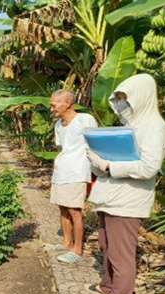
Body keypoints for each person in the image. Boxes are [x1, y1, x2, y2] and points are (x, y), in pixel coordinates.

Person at [81, 73, 165, 294]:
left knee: (121, 253)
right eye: (117, 99)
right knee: (106, 245)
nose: (120, 104)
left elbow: (149, 167)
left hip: (128, 200)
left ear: (140, 98)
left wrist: (109, 166)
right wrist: (98, 162)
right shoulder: (130, 126)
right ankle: (107, 286)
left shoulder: (154, 127)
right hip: (111, 195)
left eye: (124, 99)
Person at [48, 89, 98, 263]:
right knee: (62, 208)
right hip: (61, 171)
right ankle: (66, 242)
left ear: (67, 103)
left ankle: (77, 250)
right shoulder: (58, 125)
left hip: (77, 172)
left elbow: (95, 144)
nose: (51, 109)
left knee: (75, 211)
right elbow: (63, 148)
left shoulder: (84, 120)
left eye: (54, 105)